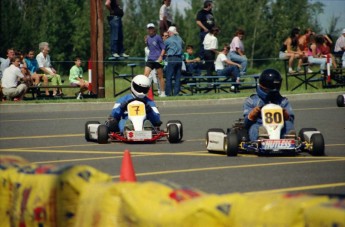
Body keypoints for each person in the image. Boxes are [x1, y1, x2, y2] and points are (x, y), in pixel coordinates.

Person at [243, 69, 295, 141]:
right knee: (254, 127)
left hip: (280, 127)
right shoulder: (251, 101)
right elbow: (246, 124)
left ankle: (289, 139)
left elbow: (291, 120)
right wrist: (252, 114)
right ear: (263, 86)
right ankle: (262, 139)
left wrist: (285, 114)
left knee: (289, 125)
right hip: (260, 125)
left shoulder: (283, 101)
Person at [144, 23, 166, 97]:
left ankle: (163, 92)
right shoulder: (147, 38)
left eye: (151, 28)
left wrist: (161, 56)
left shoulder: (158, 37)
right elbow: (149, 47)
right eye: (149, 28)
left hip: (158, 59)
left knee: (160, 76)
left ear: (154, 29)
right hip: (150, 58)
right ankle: (144, 92)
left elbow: (163, 48)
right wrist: (145, 41)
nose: (150, 30)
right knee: (145, 75)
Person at [163, 26, 184, 96]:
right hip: (179, 59)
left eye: (168, 32)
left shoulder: (168, 40)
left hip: (172, 58)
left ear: (170, 32)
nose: (168, 33)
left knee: (169, 77)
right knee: (177, 77)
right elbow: (182, 46)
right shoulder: (180, 39)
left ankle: (168, 94)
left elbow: (163, 48)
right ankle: (176, 93)